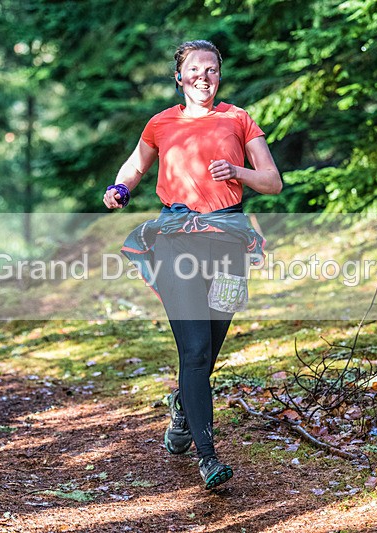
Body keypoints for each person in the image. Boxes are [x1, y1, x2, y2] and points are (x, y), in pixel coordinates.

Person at [103, 40, 282, 489]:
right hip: (176, 243)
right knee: (196, 350)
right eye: (195, 70)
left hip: (228, 244)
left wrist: (238, 173)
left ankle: (183, 409)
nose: (204, 77)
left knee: (211, 347)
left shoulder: (238, 119)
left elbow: (273, 182)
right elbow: (135, 166)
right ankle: (208, 457)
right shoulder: (160, 123)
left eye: (212, 70)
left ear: (219, 75)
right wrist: (119, 189)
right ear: (179, 77)